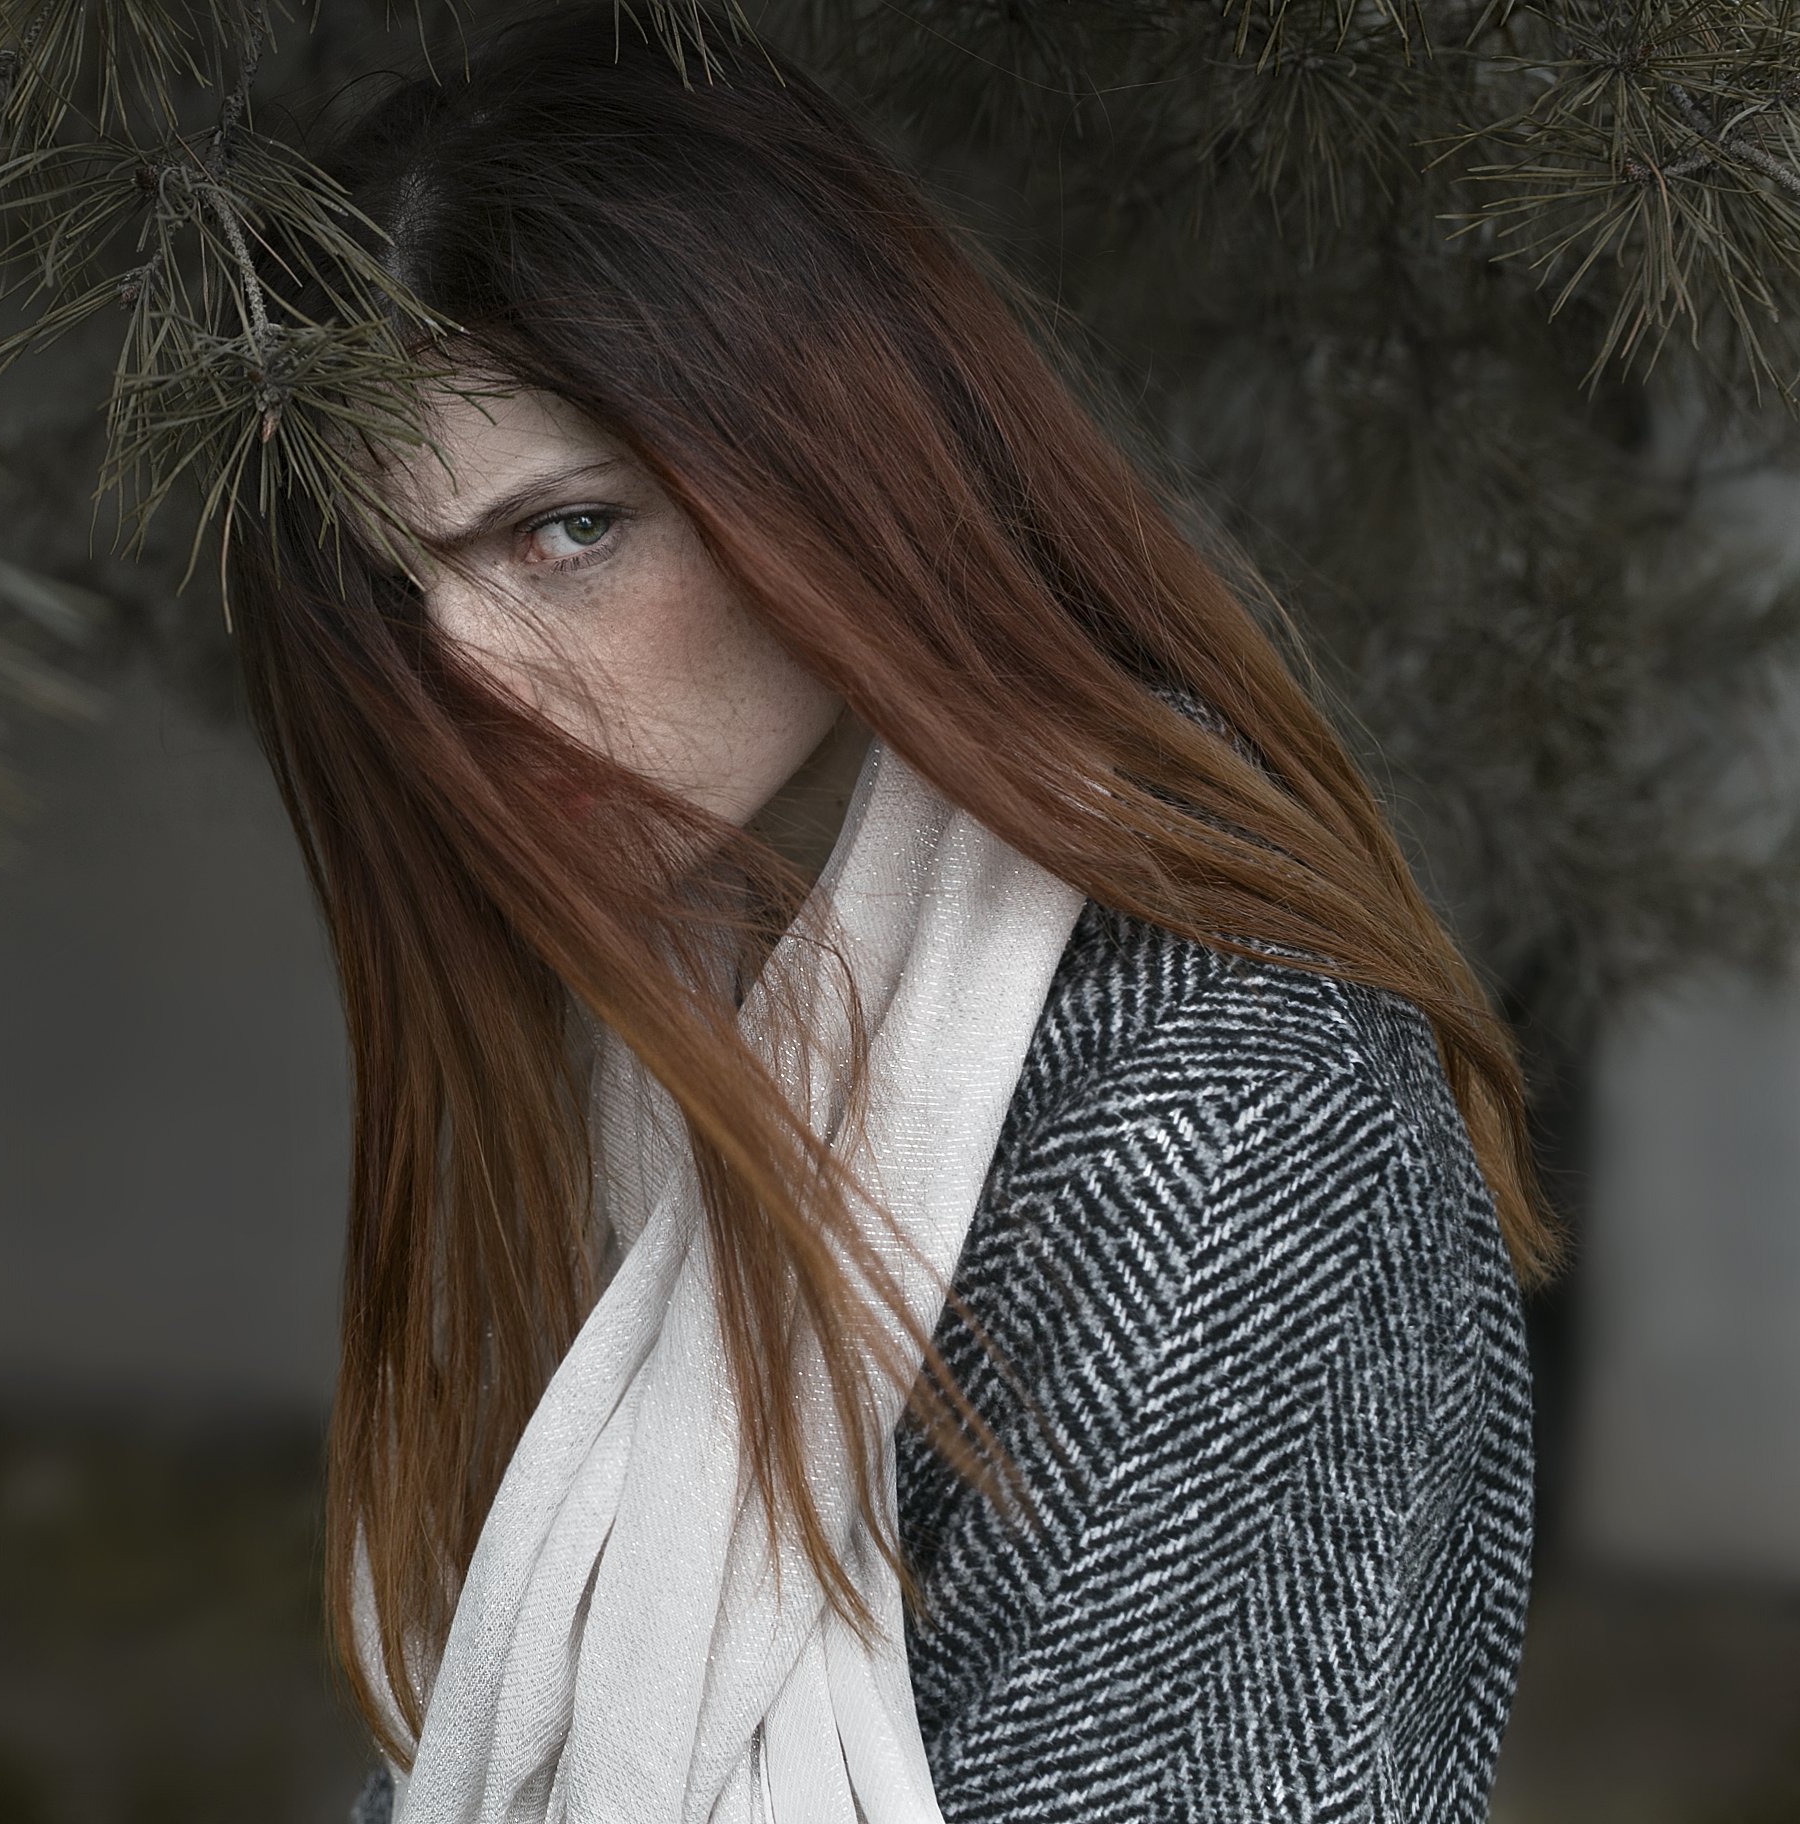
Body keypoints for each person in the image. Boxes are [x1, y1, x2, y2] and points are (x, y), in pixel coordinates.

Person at [222, 6, 1568, 1820]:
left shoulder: (1221, 1114)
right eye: (395, 592)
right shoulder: (686, 1004)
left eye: (568, 531)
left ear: (825, 457)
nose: (469, 675)